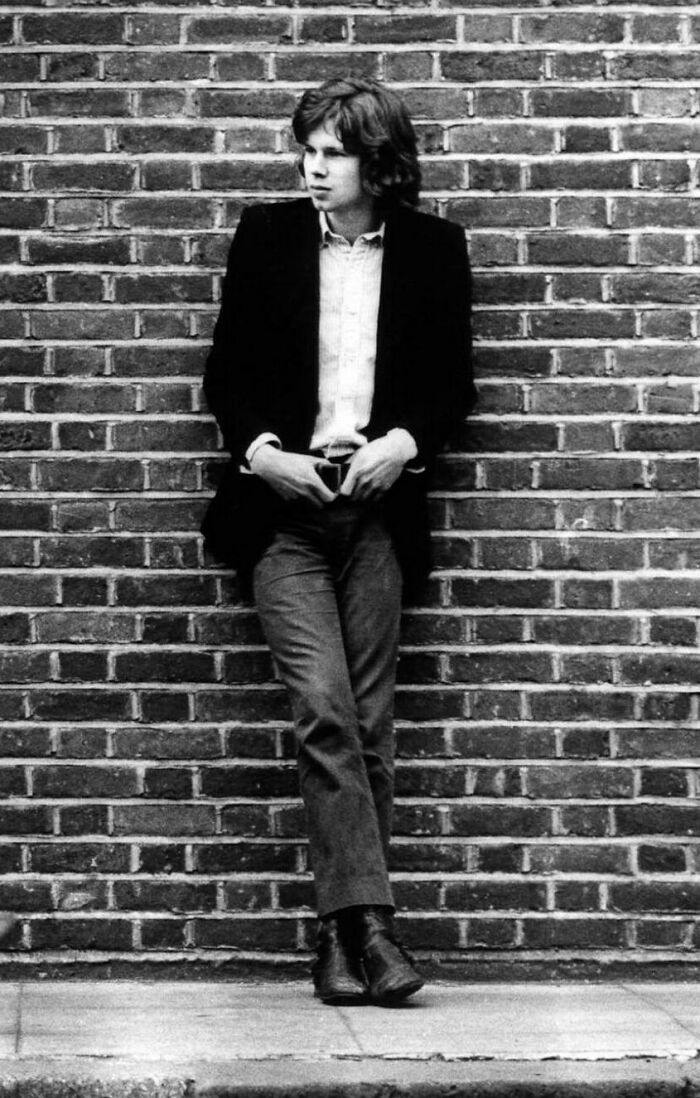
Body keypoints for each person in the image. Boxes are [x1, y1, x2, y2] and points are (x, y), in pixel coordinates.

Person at [201, 76, 475, 1005]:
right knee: (324, 709)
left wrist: (402, 444)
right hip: (284, 514)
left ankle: (340, 942)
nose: (313, 169)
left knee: (371, 726)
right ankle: (371, 931)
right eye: (306, 151)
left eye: (333, 153)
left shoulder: (434, 252)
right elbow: (225, 376)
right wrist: (262, 452)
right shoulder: (269, 237)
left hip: (376, 515)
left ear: (378, 162)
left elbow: (451, 388)